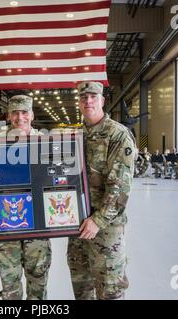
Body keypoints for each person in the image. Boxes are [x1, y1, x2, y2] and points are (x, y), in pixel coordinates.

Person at [67, 81, 135, 300]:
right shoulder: (75, 136)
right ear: (78, 102)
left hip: (105, 229)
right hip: (77, 226)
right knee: (82, 288)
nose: (88, 101)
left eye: (93, 97)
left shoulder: (117, 134)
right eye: (83, 97)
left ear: (102, 101)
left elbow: (120, 186)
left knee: (109, 291)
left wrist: (98, 220)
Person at [0, 95, 51, 300]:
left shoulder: (46, 142)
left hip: (38, 225)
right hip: (5, 224)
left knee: (38, 283)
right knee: (10, 284)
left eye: (24, 112)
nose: (20, 117)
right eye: (15, 113)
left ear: (32, 115)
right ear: (9, 115)